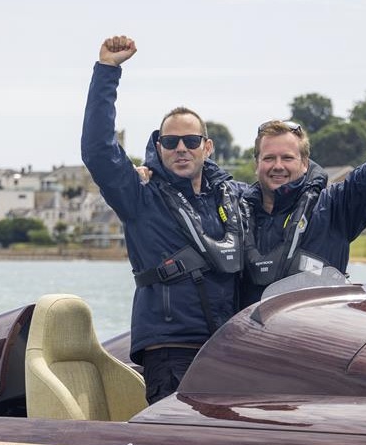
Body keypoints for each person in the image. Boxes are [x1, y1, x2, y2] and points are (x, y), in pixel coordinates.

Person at [80, 36, 245, 405]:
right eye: (170, 142)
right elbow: (98, 151)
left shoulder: (232, 197)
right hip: (171, 350)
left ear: (208, 146)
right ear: (158, 148)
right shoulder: (139, 196)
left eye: (190, 140)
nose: (181, 148)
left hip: (227, 346)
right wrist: (108, 70)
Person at [240, 55, 366, 307]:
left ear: (305, 163)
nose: (278, 166)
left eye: (287, 158)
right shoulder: (236, 213)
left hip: (314, 340)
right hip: (248, 342)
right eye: (269, 158)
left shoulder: (336, 207)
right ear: (257, 163)